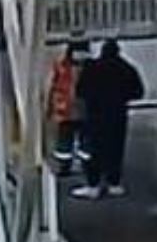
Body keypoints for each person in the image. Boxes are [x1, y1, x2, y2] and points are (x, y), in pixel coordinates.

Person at [73, 40, 143, 199]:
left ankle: (93, 184)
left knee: (94, 150)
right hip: (117, 116)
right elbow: (138, 92)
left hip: (95, 116)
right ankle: (114, 183)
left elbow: (80, 91)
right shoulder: (126, 68)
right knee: (115, 150)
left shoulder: (92, 68)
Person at [48, 42, 89, 176]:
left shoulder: (63, 66)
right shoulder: (87, 66)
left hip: (75, 110)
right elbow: (53, 87)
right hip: (72, 110)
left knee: (81, 141)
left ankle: (82, 166)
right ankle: (69, 166)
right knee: (67, 142)